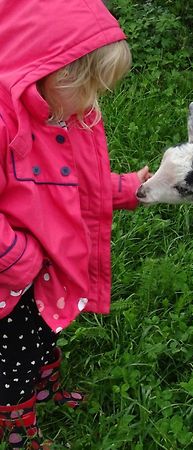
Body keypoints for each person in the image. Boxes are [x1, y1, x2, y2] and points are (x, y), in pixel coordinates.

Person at [0, 1, 150, 447]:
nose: (93, 102)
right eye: (88, 88)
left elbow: (74, 182)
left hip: (45, 259)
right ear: (49, 72)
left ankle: (43, 384)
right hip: (10, 274)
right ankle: (14, 423)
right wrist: (16, 257)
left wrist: (123, 188)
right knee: (14, 353)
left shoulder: (62, 115)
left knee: (47, 328)